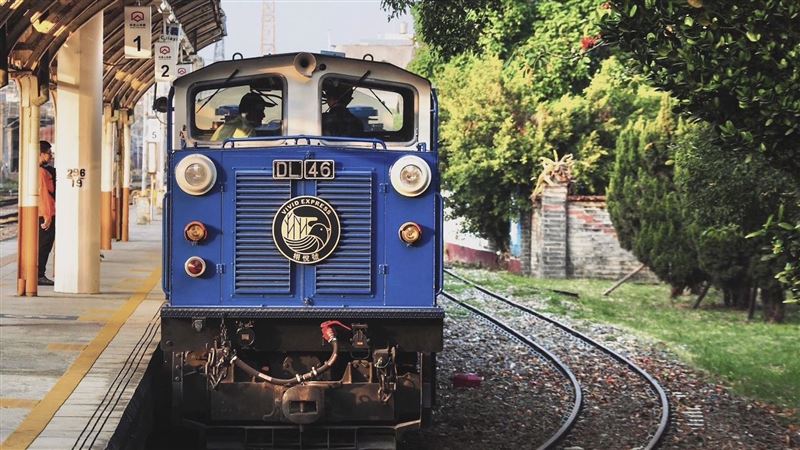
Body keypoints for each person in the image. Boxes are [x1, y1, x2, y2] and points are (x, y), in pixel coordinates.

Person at [38, 141, 56, 286]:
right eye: (49, 153)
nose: (50, 156)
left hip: (41, 213)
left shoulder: (41, 170)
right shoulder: (42, 173)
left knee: (43, 244)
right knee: (44, 245)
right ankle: (39, 275)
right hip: (44, 214)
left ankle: (38, 274)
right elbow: (45, 195)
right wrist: (48, 216)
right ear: (41, 154)